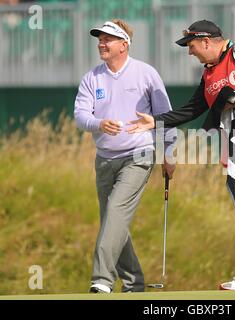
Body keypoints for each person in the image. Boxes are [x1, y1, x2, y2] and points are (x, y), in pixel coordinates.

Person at [126, 20, 235, 290]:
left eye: (191, 46)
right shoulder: (208, 75)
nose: (190, 52)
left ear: (206, 41)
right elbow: (192, 109)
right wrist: (155, 121)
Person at [74, 19, 176, 293]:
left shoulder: (146, 74)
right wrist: (98, 123)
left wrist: (169, 152)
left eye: (108, 39)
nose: (101, 43)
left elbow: (165, 115)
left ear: (124, 44)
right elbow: (81, 116)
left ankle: (102, 280)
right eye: (100, 39)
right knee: (112, 221)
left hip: (139, 155)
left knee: (116, 213)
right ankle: (134, 284)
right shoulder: (91, 77)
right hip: (105, 158)